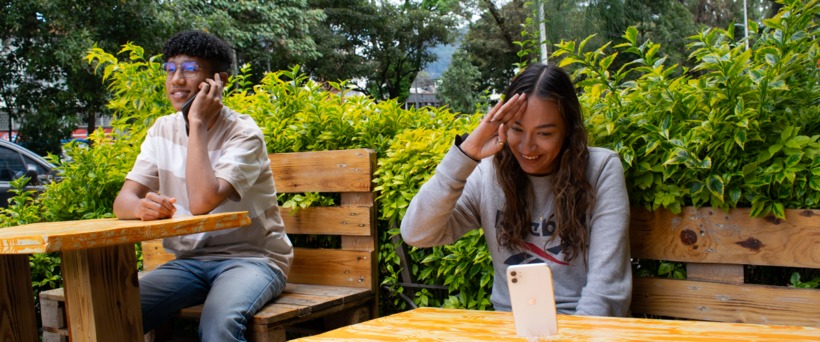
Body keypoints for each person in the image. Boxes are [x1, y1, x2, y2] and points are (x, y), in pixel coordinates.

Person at [400, 63, 631, 316]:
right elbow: (416, 233)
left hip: (583, 327)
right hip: (512, 326)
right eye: (517, 130)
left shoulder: (600, 170)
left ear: (568, 130)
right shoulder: (488, 173)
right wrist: (466, 154)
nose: (527, 147)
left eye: (544, 133)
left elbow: (606, 289)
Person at [113, 30, 292, 341]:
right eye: (170, 69)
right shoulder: (162, 130)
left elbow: (201, 201)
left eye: (190, 69)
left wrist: (195, 123)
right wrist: (141, 206)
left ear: (219, 81)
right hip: (189, 263)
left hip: (253, 260)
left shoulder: (244, 134)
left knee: (218, 325)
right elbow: (123, 201)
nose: (177, 80)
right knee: (115, 313)